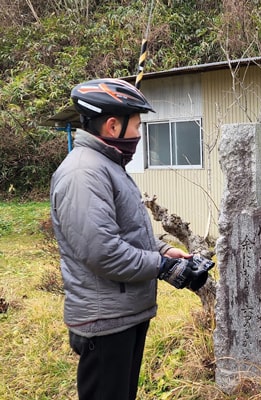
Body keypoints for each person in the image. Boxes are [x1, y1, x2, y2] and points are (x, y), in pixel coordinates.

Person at [50, 78, 213, 400]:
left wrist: (166, 251)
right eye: (137, 125)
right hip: (105, 319)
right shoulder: (83, 174)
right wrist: (163, 267)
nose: (139, 134)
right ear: (113, 125)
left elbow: (125, 231)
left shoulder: (106, 166)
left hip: (123, 312)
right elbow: (102, 252)